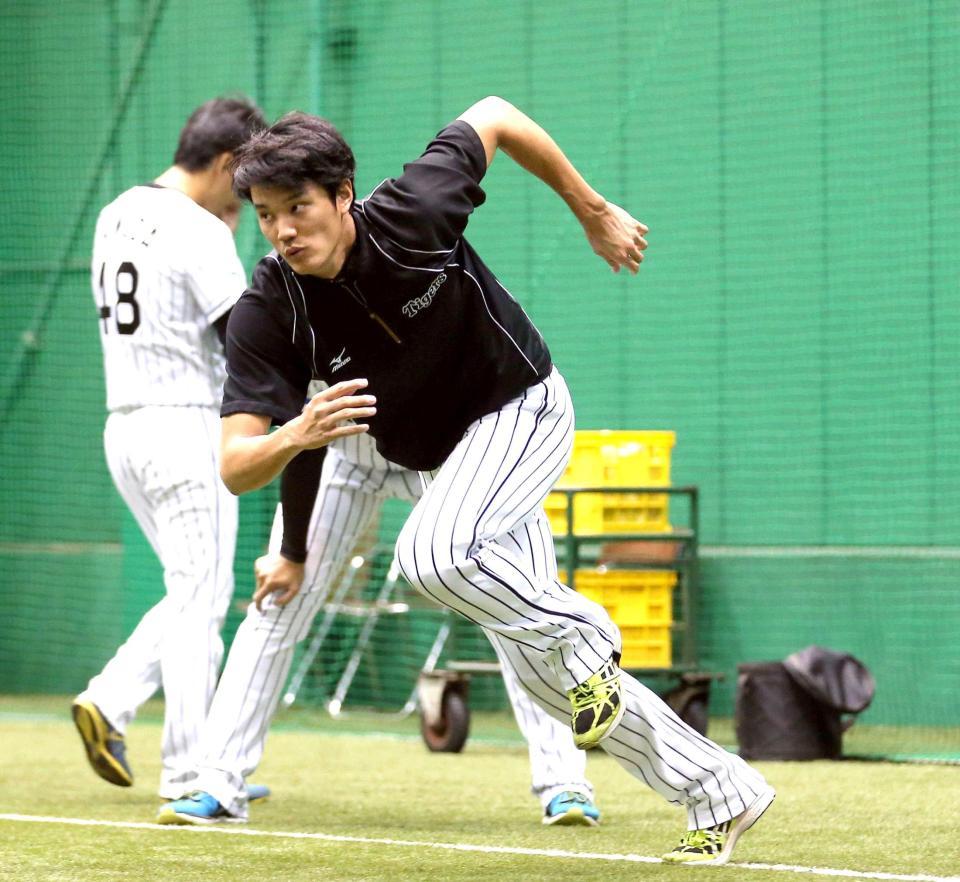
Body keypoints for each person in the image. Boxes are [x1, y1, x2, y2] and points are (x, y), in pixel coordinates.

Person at [193, 96, 773, 864]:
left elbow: (496, 115)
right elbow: (235, 467)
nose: (283, 231)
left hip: (521, 409)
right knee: (544, 677)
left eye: (298, 207)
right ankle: (718, 791)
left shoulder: (414, 209)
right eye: (265, 215)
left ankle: (590, 634)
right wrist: (297, 433)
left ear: (343, 195)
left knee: (433, 557)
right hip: (440, 458)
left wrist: (592, 209)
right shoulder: (270, 305)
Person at [159, 430, 602, 827]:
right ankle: (218, 782)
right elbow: (300, 432)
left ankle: (565, 783)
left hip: (444, 456)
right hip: (340, 460)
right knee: (275, 604)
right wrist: (292, 554)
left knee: (511, 603)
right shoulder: (295, 339)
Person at [72, 96, 269, 804]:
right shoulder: (200, 229)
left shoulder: (116, 210)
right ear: (223, 164)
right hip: (187, 425)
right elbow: (239, 341)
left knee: (191, 590)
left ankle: (112, 699)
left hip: (123, 426)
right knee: (203, 598)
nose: (249, 195)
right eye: (244, 179)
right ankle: (191, 770)